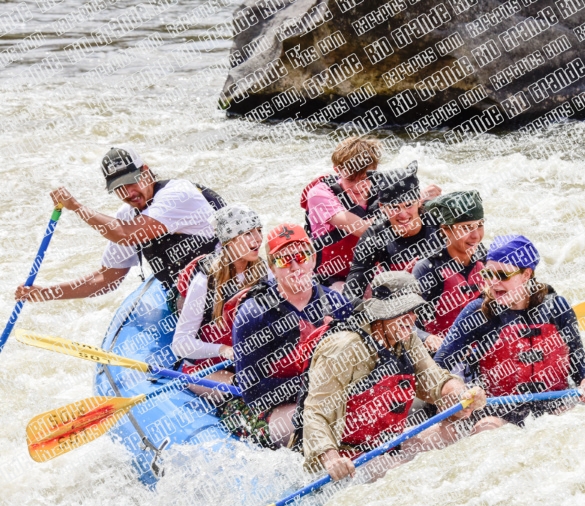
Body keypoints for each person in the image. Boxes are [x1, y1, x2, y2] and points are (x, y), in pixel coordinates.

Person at [300, 271, 486, 482]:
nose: (412, 317)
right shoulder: (344, 347)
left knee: (454, 432)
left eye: (413, 310)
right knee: (393, 469)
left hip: (385, 447)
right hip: (344, 458)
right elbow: (315, 412)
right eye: (403, 310)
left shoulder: (407, 339)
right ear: (381, 314)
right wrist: (332, 459)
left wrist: (461, 394)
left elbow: (435, 380)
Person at [434, 235, 585, 430]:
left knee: (578, 422)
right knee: (487, 428)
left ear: (526, 275)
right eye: (489, 274)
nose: (494, 282)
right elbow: (438, 367)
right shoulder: (477, 313)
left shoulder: (556, 307)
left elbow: (579, 360)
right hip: (496, 412)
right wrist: (461, 391)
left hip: (554, 406)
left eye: (503, 275)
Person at [16, 147, 222, 305]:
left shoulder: (177, 194)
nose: (128, 193)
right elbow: (107, 278)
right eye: (119, 187)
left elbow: (128, 235)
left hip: (225, 283)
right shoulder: (126, 216)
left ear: (146, 172)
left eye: (132, 182)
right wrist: (46, 293)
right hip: (189, 291)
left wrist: (78, 207)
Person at [232, 223, 353, 449]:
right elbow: (251, 392)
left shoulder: (337, 304)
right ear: (272, 268)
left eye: (301, 256)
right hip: (278, 408)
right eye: (284, 261)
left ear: (313, 259)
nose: (295, 266)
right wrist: (308, 386)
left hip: (331, 394)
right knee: (307, 424)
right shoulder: (254, 315)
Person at [170, 204, 267, 398]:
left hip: (246, 361)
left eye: (259, 230)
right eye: (248, 233)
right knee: (247, 389)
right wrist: (223, 350)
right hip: (207, 369)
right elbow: (180, 344)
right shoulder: (205, 281)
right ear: (229, 241)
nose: (257, 239)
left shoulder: (264, 271)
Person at [343, 160, 446, 305]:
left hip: (442, 300)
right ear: (381, 207)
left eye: (408, 205)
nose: (403, 215)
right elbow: (352, 290)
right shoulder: (375, 236)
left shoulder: (440, 224)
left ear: (419, 201)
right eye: (393, 207)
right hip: (400, 308)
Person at [299, 136, 381, 289]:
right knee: (346, 299)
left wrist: (419, 201)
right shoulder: (319, 195)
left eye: (364, 179)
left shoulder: (383, 189)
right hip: (330, 277)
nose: (358, 187)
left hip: (370, 273)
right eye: (351, 179)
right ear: (337, 170)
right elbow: (363, 229)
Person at [413, 191, 487, 353]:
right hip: (443, 354)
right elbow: (404, 323)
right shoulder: (427, 268)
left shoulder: (489, 261)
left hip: (481, 351)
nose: (475, 236)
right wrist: (427, 338)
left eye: (479, 225)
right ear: (446, 229)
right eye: (466, 228)